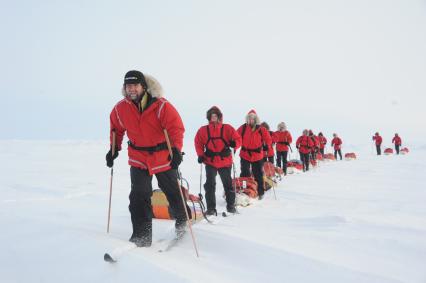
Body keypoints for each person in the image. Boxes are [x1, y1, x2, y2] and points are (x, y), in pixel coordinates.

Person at [106, 70, 188, 247]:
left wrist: (176, 151)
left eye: (135, 85)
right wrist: (113, 150)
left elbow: (176, 129)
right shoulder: (120, 108)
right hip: (138, 158)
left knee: (172, 192)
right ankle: (141, 237)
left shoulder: (161, 106)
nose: (131, 89)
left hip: (163, 157)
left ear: (143, 86)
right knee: (138, 195)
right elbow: (116, 130)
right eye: (128, 86)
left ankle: (182, 221)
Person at [194, 106, 241, 215]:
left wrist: (235, 144)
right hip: (210, 161)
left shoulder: (227, 128)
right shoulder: (203, 130)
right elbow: (198, 142)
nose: (213, 117)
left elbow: (238, 139)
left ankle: (231, 206)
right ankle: (211, 208)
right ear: (209, 117)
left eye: (215, 115)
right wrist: (200, 155)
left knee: (228, 184)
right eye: (211, 116)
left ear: (219, 117)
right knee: (210, 185)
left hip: (225, 161)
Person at [237, 110, 272, 200]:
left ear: (255, 119)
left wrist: (266, 146)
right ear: (247, 119)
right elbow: (236, 137)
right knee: (245, 173)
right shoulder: (243, 128)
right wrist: (233, 145)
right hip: (245, 154)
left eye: (252, 119)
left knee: (258, 174)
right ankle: (244, 189)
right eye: (249, 118)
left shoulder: (261, 129)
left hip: (257, 155)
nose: (251, 120)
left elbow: (268, 139)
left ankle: (260, 192)